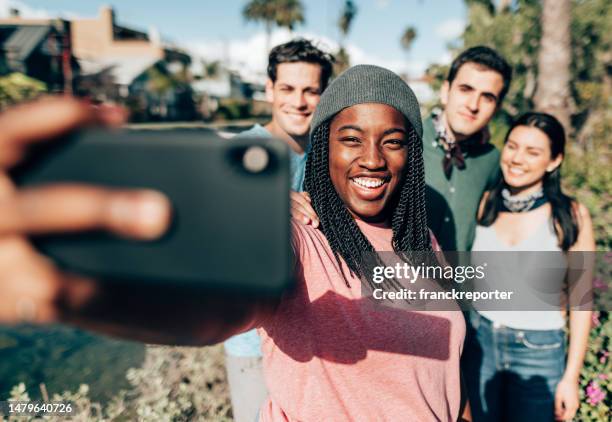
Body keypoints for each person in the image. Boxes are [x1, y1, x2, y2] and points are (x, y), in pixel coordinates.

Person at [0, 65, 470, 421]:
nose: (372, 159)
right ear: (324, 146)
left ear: (413, 153)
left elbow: (446, 374)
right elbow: (212, 312)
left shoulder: (418, 236)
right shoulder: (300, 237)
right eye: (351, 138)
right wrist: (77, 292)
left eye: (392, 141)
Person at [223, 38, 334, 422]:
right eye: (287, 88)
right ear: (269, 89)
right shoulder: (241, 150)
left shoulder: (327, 155)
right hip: (252, 345)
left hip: (312, 342)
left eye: (311, 90)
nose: (299, 102)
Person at [464, 112, 594, 421]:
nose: (517, 158)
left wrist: (570, 379)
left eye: (533, 152)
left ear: (553, 161)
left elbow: (582, 301)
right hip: (480, 345)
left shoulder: (571, 216)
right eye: (512, 146)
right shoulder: (485, 204)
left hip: (538, 351)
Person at [423, 46, 512, 251]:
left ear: (496, 108)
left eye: (487, 97)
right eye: (466, 89)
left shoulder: (493, 160)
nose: (473, 105)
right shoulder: (405, 143)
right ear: (446, 91)